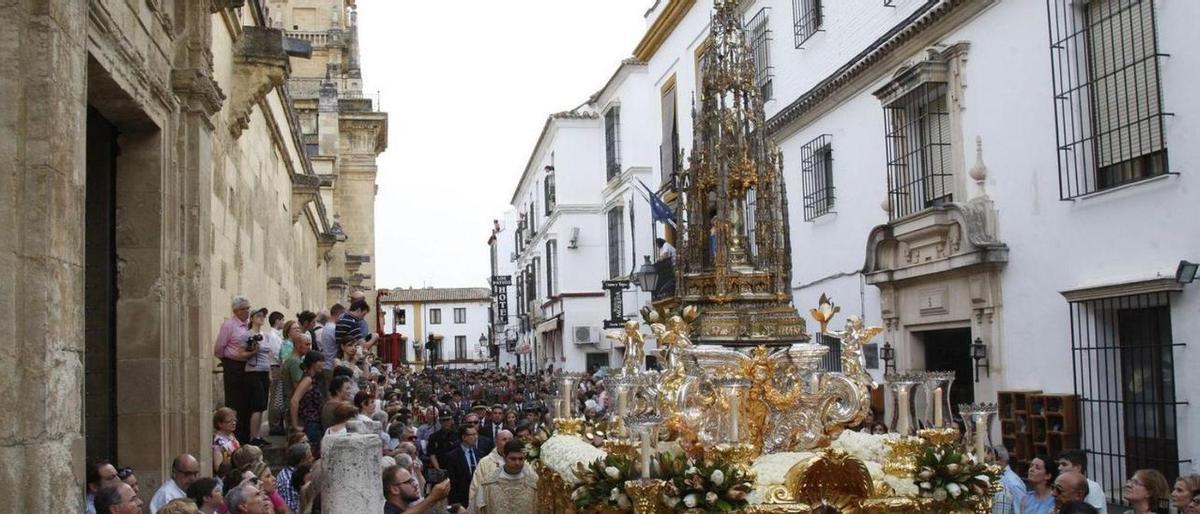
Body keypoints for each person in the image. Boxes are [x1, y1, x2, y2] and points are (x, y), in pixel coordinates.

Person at [214, 295, 255, 443]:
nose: (247, 312)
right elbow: (219, 348)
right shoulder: (229, 325)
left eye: (248, 308)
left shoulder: (249, 325)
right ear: (236, 310)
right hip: (233, 367)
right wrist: (229, 359)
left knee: (248, 402)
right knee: (236, 402)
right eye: (244, 309)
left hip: (248, 367)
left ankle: (245, 436)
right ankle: (235, 437)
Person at [469, 440, 539, 514]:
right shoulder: (488, 483)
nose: (517, 463)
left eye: (521, 459)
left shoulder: (533, 483)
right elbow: (476, 509)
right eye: (513, 459)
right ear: (504, 458)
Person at [242, 307, 273, 446]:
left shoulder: (265, 335)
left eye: (263, 316)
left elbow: (268, 356)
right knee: (257, 405)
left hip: (264, 371)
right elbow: (241, 354)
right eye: (259, 315)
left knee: (262, 406)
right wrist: (253, 350)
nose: (262, 318)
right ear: (252, 318)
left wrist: (270, 374)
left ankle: (258, 435)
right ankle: (253, 436)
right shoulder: (247, 335)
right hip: (253, 371)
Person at [290, 352, 327, 452]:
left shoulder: (315, 379)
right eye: (320, 361)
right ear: (313, 363)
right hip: (309, 423)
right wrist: (295, 424)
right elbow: (294, 401)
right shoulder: (307, 380)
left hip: (315, 422)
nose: (322, 364)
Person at [383, 464, 451, 514]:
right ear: (394, 489)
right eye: (409, 482)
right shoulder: (387, 511)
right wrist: (432, 498)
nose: (415, 484)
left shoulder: (410, 507)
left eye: (412, 480)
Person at [442, 424, 481, 507]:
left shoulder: (477, 452)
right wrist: (455, 503)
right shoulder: (452, 456)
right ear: (464, 437)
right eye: (472, 435)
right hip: (461, 500)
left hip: (477, 498)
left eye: (476, 434)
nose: (476, 437)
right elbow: (452, 481)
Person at [469, 430, 512, 504]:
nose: (507, 442)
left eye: (510, 439)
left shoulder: (521, 461)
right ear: (496, 442)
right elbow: (475, 488)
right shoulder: (485, 462)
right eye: (504, 439)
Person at [281, 331, 312, 432]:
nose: (309, 347)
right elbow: (297, 386)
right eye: (307, 344)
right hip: (295, 407)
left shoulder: (292, 359)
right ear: (298, 345)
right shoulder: (295, 362)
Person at [266, 311, 287, 436]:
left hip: (278, 367)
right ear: (277, 321)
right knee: (275, 397)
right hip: (276, 367)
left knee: (278, 397)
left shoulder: (277, 335)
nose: (283, 322)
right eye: (282, 320)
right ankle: (274, 425)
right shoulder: (273, 336)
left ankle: (277, 423)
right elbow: (277, 353)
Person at [989, 445, 1026, 514]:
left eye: (989, 460)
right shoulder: (996, 476)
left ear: (998, 459)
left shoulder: (1013, 482)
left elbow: (1020, 510)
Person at [276, 443, 312, 513]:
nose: (312, 459)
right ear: (302, 461)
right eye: (309, 457)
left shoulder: (302, 472)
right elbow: (291, 510)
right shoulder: (288, 482)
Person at [212, 407, 241, 474]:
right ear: (220, 424)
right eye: (229, 421)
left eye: (234, 420)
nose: (234, 423)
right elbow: (218, 467)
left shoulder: (231, 435)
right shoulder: (218, 443)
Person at [320, 303, 346, 372]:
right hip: (332, 367)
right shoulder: (334, 328)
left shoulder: (327, 326)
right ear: (339, 314)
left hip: (327, 365)